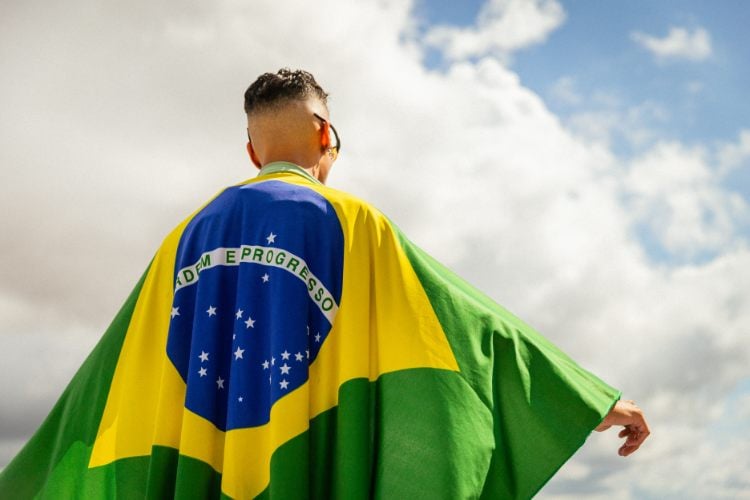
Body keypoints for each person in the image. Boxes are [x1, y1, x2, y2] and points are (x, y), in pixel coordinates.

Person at [0, 68, 648, 499]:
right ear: (323, 137)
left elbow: (115, 373)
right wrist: (586, 400)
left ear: (252, 150)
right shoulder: (354, 224)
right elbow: (463, 325)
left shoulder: (184, 238)